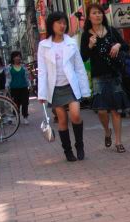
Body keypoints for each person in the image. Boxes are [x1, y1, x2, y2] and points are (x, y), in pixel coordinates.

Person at [38, 12, 91, 162]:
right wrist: (41, 94)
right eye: (59, 23)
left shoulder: (72, 42)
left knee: (75, 115)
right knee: (62, 120)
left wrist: (85, 90)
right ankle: (67, 151)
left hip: (70, 86)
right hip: (54, 88)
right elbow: (42, 71)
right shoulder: (43, 46)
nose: (62, 26)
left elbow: (79, 67)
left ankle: (79, 145)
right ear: (51, 24)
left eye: (64, 23)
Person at [81, 3, 130, 154]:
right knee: (102, 111)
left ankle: (118, 142)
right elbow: (83, 57)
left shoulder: (111, 31)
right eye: (94, 13)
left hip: (114, 74)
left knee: (116, 110)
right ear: (89, 17)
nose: (98, 15)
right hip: (98, 76)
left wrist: (117, 45)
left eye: (100, 13)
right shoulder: (86, 35)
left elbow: (125, 46)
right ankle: (107, 130)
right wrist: (90, 45)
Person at [6, 51, 31, 125]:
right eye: (16, 56)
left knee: (25, 103)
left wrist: (30, 85)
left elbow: (27, 77)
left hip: (24, 88)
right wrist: (6, 86)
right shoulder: (9, 67)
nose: (18, 58)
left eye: (19, 56)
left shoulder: (24, 67)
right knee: (15, 104)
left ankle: (25, 117)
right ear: (13, 58)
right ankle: (17, 117)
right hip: (14, 89)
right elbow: (8, 78)